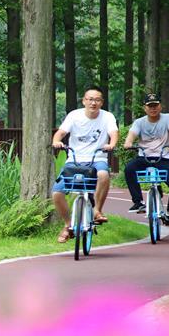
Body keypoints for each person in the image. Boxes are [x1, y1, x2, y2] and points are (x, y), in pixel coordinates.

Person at [51, 85, 119, 243]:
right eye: (90, 99)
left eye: (97, 100)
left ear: (102, 102)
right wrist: (56, 141)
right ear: (84, 101)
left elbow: (114, 133)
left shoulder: (107, 116)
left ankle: (97, 210)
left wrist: (111, 144)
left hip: (97, 158)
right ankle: (68, 225)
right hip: (74, 159)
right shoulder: (74, 116)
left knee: (103, 175)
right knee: (57, 193)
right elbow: (61, 133)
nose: (93, 103)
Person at [122, 92, 169, 229]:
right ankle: (138, 202)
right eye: (150, 106)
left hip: (164, 158)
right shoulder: (139, 122)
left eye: (155, 105)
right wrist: (128, 142)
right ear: (145, 108)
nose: (153, 108)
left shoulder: (168, 118)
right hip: (144, 157)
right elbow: (132, 135)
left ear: (160, 106)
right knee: (129, 169)